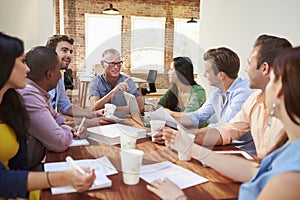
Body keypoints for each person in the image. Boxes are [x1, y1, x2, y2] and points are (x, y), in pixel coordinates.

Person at [148, 46, 300, 200]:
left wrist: (178, 198)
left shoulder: (290, 180)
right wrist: (189, 146)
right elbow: (255, 171)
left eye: (272, 80)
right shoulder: (289, 147)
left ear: (280, 90)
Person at [162, 35, 292, 158]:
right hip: (249, 163)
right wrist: (179, 137)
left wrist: (183, 136)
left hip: (249, 159)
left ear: (264, 68)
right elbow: (225, 131)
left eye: (249, 63)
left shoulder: (248, 94)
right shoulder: (253, 100)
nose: (246, 69)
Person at [0, 32, 95, 199]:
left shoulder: (11, 99)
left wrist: (71, 123)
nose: (28, 69)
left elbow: (57, 116)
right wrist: (62, 178)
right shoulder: (27, 94)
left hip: (23, 185)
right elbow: (58, 139)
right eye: (22, 61)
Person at [168, 48, 256, 154]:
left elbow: (223, 127)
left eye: (207, 72)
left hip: (243, 152)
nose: (204, 75)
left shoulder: (243, 92)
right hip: (223, 147)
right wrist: (170, 118)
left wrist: (184, 135)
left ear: (221, 75)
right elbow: (199, 115)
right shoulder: (218, 91)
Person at [18, 46, 84, 170]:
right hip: (27, 171)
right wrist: (67, 129)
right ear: (50, 74)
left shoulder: (39, 91)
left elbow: (55, 116)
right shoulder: (29, 95)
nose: (60, 76)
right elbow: (59, 142)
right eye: (59, 71)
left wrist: (66, 126)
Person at [46, 35, 109, 127]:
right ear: (51, 53)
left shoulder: (58, 77)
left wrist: (92, 114)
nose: (69, 55)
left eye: (71, 52)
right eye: (64, 50)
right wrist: (89, 122)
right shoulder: (39, 79)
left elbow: (65, 106)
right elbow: (46, 117)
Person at [89, 49, 145, 114]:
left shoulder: (127, 81)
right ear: (102, 64)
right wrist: (114, 92)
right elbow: (94, 108)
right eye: (112, 63)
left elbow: (140, 108)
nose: (116, 67)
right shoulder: (95, 82)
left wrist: (109, 110)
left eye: (119, 63)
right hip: (104, 122)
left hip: (124, 120)